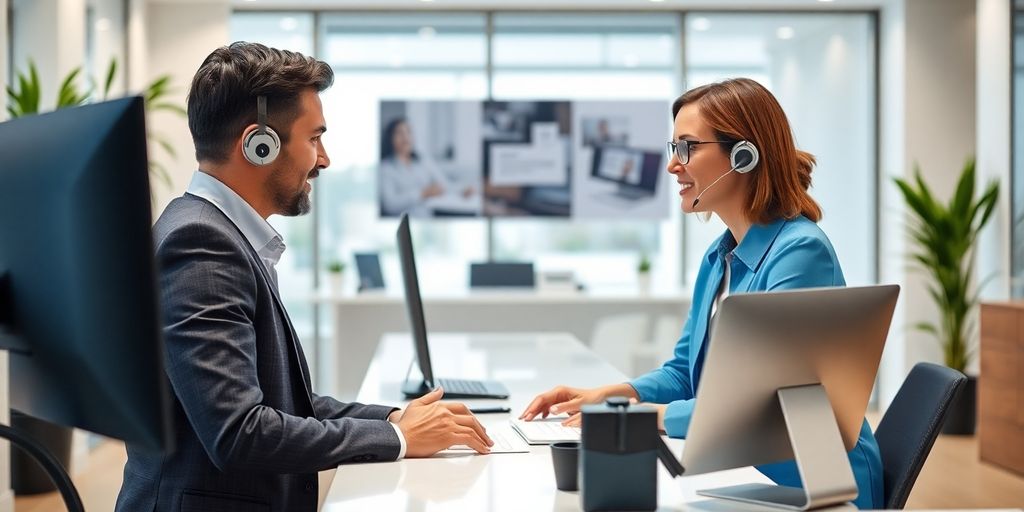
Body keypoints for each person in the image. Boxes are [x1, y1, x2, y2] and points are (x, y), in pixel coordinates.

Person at [116, 42, 492, 512]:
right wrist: (395, 437)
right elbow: (240, 433)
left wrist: (397, 417)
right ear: (259, 145)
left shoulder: (219, 234)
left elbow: (285, 403)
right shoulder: (200, 243)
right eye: (314, 138)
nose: (325, 159)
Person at [520, 78, 883, 510]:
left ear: (744, 156)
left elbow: (767, 407)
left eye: (688, 147)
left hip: (820, 483)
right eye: (674, 148)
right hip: (746, 471)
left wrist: (641, 418)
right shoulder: (720, 256)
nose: (674, 165)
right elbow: (682, 374)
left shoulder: (800, 251)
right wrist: (614, 395)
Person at [379, 117, 471, 216]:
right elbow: (389, 205)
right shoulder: (385, 168)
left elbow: (444, 184)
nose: (405, 137)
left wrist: (462, 190)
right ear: (390, 138)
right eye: (399, 133)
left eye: (408, 132)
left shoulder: (423, 160)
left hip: (428, 218)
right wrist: (422, 193)